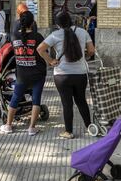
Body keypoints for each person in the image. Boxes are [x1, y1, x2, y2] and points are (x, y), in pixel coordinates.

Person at [37, 11, 95, 139]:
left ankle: (68, 132)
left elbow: (40, 49)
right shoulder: (82, 32)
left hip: (62, 75)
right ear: (71, 20)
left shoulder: (55, 35)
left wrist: (51, 61)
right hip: (80, 74)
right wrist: (86, 56)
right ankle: (90, 127)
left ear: (58, 24)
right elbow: (91, 50)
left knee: (67, 104)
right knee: (81, 101)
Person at [0, 11, 47, 136]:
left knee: (15, 98)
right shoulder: (38, 37)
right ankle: (32, 128)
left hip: (21, 74)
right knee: (36, 100)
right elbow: (44, 52)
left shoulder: (14, 36)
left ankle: (9, 125)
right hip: (38, 73)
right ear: (33, 23)